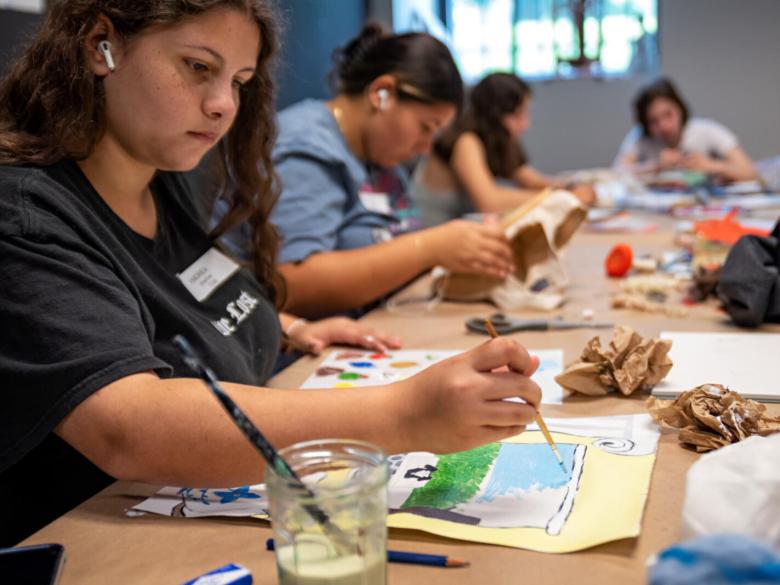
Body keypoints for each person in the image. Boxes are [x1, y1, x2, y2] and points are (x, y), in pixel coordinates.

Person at [0, 1, 542, 546]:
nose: (222, 106)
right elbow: (128, 424)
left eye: (238, 81)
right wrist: (404, 414)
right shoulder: (27, 215)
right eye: (197, 67)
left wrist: (280, 324)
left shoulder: (157, 175)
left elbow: (178, 300)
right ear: (102, 45)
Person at [216, 25, 515, 318]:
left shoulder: (381, 162)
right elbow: (291, 282)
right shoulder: (306, 148)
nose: (425, 148)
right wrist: (430, 247)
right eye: (425, 128)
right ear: (381, 93)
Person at [413, 72, 596, 227]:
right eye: (518, 115)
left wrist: (570, 188)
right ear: (496, 114)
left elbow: (531, 180)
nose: (525, 124)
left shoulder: (497, 140)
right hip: (428, 237)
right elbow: (489, 201)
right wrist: (562, 198)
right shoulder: (466, 141)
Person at [613, 77, 757, 182]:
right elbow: (616, 172)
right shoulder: (640, 136)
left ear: (680, 108)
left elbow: (749, 171)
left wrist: (711, 165)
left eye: (668, 114)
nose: (663, 126)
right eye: (653, 121)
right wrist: (655, 166)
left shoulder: (706, 130)